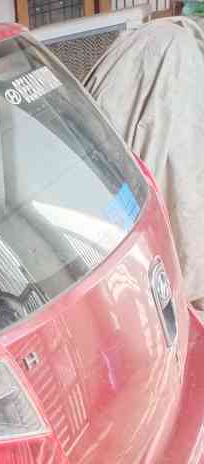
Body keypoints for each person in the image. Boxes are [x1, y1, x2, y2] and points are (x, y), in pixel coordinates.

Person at [86, 17, 204, 309]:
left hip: (92, 169)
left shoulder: (147, 34)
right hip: (129, 234)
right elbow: (187, 184)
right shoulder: (183, 62)